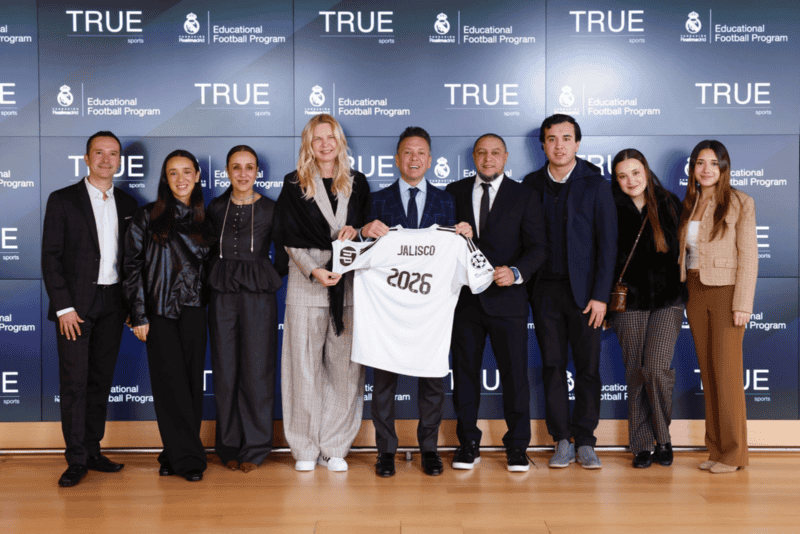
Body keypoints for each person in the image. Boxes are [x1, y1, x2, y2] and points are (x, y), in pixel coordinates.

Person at [359, 126, 473, 478]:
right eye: (407, 152)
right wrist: (364, 231)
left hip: (430, 313)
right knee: (384, 383)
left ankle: (429, 449)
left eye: (420, 152)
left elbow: (453, 255)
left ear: (430, 159)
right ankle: (385, 451)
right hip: (387, 312)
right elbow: (360, 250)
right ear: (397, 159)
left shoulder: (446, 201)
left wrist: (465, 235)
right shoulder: (376, 201)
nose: (414, 158)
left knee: (433, 380)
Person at [42, 131, 138, 488]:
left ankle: (93, 451)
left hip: (113, 304)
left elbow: (131, 262)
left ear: (119, 161)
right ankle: (76, 459)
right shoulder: (63, 200)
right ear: (86, 158)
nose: (106, 159)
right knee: (75, 383)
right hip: (75, 308)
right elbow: (50, 258)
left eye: (113, 154)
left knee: (99, 381)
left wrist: (131, 306)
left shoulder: (129, 204)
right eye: (99, 152)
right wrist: (64, 307)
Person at [445, 133, 546, 472]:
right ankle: (467, 443)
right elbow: (440, 242)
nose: (488, 159)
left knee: (516, 378)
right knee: (465, 375)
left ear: (505, 157)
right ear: (473, 157)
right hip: (464, 302)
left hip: (509, 300)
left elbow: (538, 248)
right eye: (482, 153)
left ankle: (517, 447)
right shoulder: (453, 193)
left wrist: (517, 272)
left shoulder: (525, 196)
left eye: (495, 153)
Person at [275, 114, 370, 472]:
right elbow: (285, 236)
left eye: (331, 138)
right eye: (318, 139)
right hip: (306, 284)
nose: (325, 144)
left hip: (346, 286)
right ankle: (304, 447)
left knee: (345, 370)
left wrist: (356, 231)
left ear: (340, 141)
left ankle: (335, 447)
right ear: (308, 145)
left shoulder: (357, 183)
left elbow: (364, 234)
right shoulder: (292, 183)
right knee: (302, 368)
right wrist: (312, 269)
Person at [522, 114, 617, 469]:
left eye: (566, 138)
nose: (558, 145)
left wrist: (601, 296)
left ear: (577, 143)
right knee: (552, 365)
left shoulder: (596, 184)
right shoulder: (530, 185)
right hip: (545, 292)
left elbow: (608, 246)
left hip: (587, 296)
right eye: (551, 138)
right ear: (543, 144)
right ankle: (561, 439)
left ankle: (586, 440)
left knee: (589, 369)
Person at [124, 149, 213, 482]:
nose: (181, 178)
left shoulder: (207, 218)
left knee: (190, 386)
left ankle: (172, 454)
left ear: (198, 176)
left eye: (187, 171)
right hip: (158, 311)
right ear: (165, 178)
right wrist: (138, 314)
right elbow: (131, 267)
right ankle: (189, 460)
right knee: (167, 386)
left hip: (193, 310)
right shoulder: (146, 216)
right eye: (173, 172)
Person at [206, 146, 288, 473]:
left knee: (257, 369)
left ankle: (255, 447)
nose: (243, 174)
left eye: (249, 168)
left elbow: (282, 256)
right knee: (225, 371)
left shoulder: (271, 208)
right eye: (236, 167)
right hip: (222, 294)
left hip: (258, 296)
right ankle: (228, 444)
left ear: (257, 172)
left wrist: (264, 275)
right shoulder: (215, 207)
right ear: (227, 171)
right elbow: (207, 251)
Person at [678, 140, 757, 474]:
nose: (706, 169)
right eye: (700, 163)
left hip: (726, 293)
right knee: (709, 374)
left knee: (726, 374)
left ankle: (735, 453)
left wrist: (742, 304)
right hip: (695, 290)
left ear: (724, 167)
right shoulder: (691, 202)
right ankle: (716, 449)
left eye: (713, 163)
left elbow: (749, 257)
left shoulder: (741, 202)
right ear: (693, 168)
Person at [609, 149, 686, 468]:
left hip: (668, 300)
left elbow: (686, 248)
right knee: (635, 372)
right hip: (630, 301)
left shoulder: (668, 202)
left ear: (646, 170)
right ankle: (641, 445)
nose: (630, 180)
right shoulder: (609, 207)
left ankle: (663, 439)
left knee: (655, 368)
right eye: (623, 175)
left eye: (635, 173)